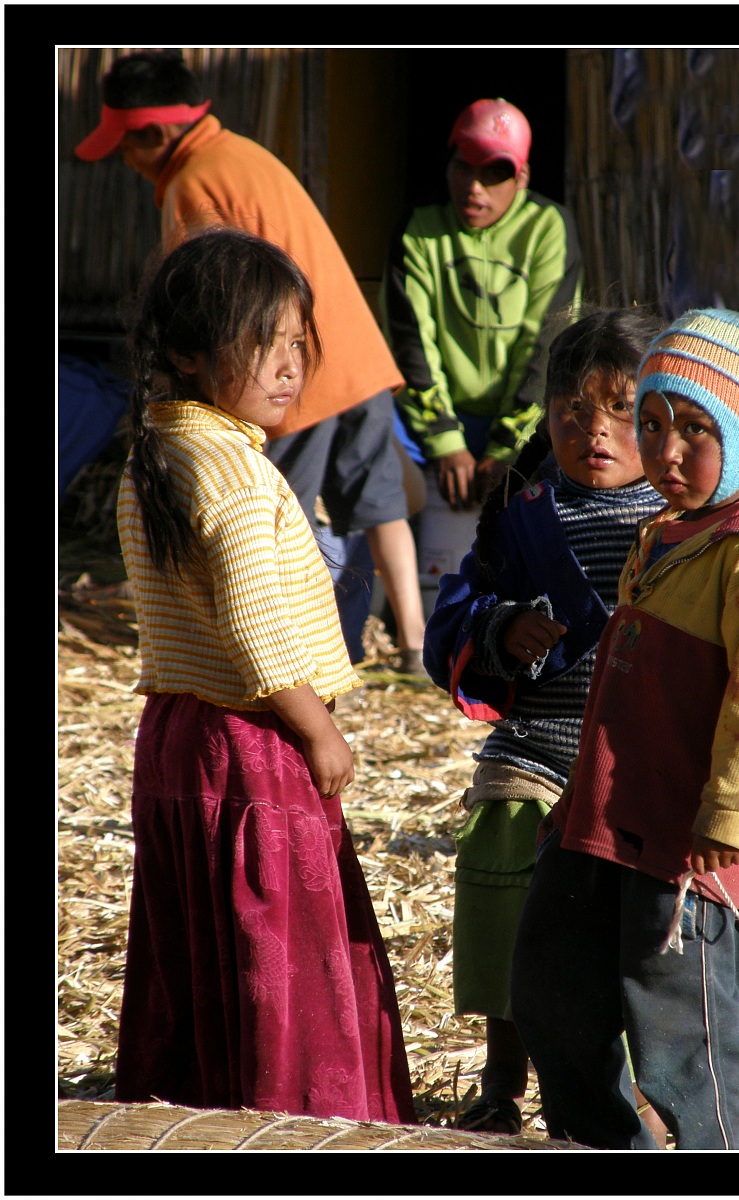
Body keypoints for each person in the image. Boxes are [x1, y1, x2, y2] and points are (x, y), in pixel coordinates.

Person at [112, 226, 416, 1122]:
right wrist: (319, 728)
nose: (290, 365)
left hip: (177, 736)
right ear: (188, 353)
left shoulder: (157, 453)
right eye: (264, 343)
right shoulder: (236, 475)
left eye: (295, 342)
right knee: (277, 953)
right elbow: (253, 629)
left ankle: (191, 1118)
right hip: (252, 743)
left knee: (195, 945)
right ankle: (291, 1127)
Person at [510, 307, 739, 1150]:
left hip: (680, 849)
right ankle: (604, 1151)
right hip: (597, 823)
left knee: (683, 1038)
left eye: (696, 430)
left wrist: (726, 820)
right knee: (552, 993)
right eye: (650, 424)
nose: (664, 451)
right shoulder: (668, 535)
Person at [74, 48, 426, 671]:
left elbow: (202, 301)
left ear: (154, 133)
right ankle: (415, 642)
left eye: (126, 148)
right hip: (351, 352)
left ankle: (295, 652)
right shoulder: (247, 152)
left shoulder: (191, 183)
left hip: (290, 373)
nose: (127, 162)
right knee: (379, 505)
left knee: (277, 520)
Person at [422, 307, 669, 1138]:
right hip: (535, 748)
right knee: (502, 881)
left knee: (620, 929)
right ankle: (501, 1076)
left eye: (617, 410)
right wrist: (498, 629)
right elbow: (453, 619)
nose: (590, 429)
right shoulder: (522, 513)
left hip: (634, 762)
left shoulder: (677, 527)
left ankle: (619, 1084)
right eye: (571, 409)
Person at [380, 97, 584, 592]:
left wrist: (510, 447)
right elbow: (412, 344)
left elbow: (548, 347)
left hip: (521, 422)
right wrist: (447, 443)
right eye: (462, 167)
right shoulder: (421, 230)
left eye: (494, 172)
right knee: (379, 474)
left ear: (522, 176)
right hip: (433, 421)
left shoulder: (547, 229)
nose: (474, 187)